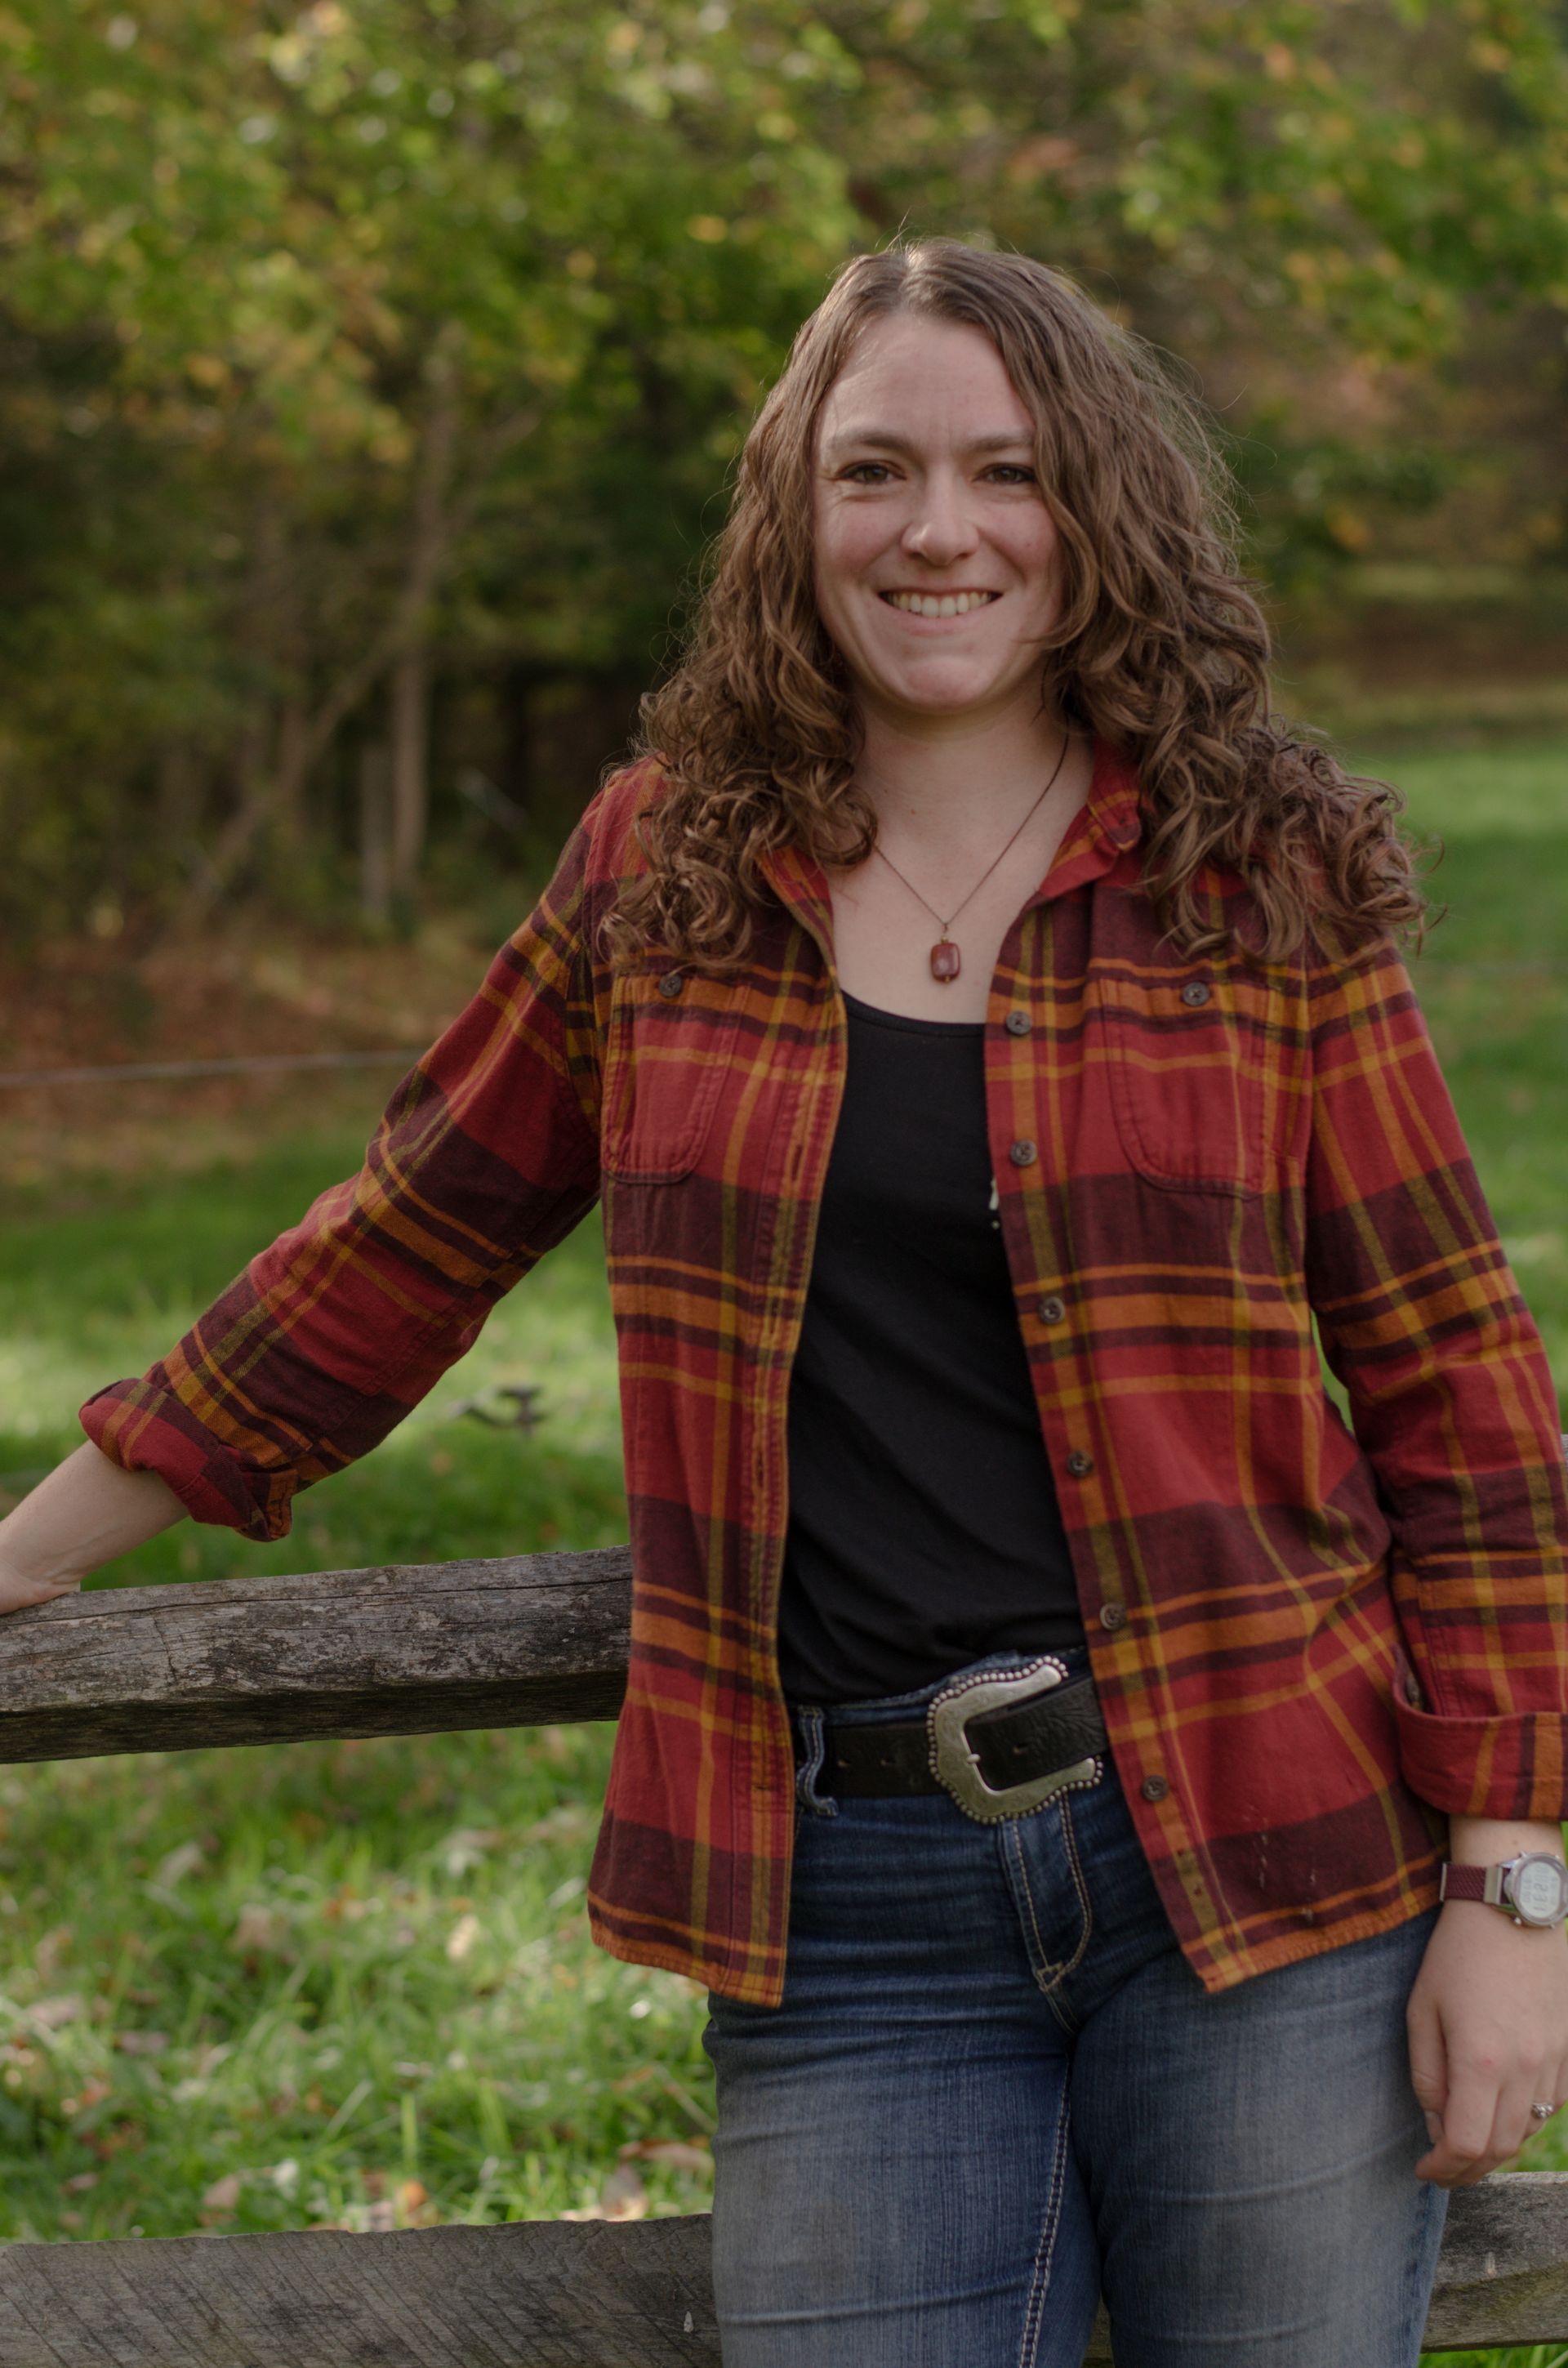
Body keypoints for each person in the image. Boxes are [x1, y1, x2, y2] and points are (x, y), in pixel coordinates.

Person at [2, 239, 1566, 2367]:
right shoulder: (665, 876)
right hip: (849, 1909)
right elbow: (410, 1230)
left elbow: (1461, 1387)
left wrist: (1509, 1880)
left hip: (1273, 1861)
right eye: (878, 469)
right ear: (793, 515)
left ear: (1097, 511)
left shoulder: (1253, 877)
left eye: (1009, 471)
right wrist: (37, 1542)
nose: (942, 528)